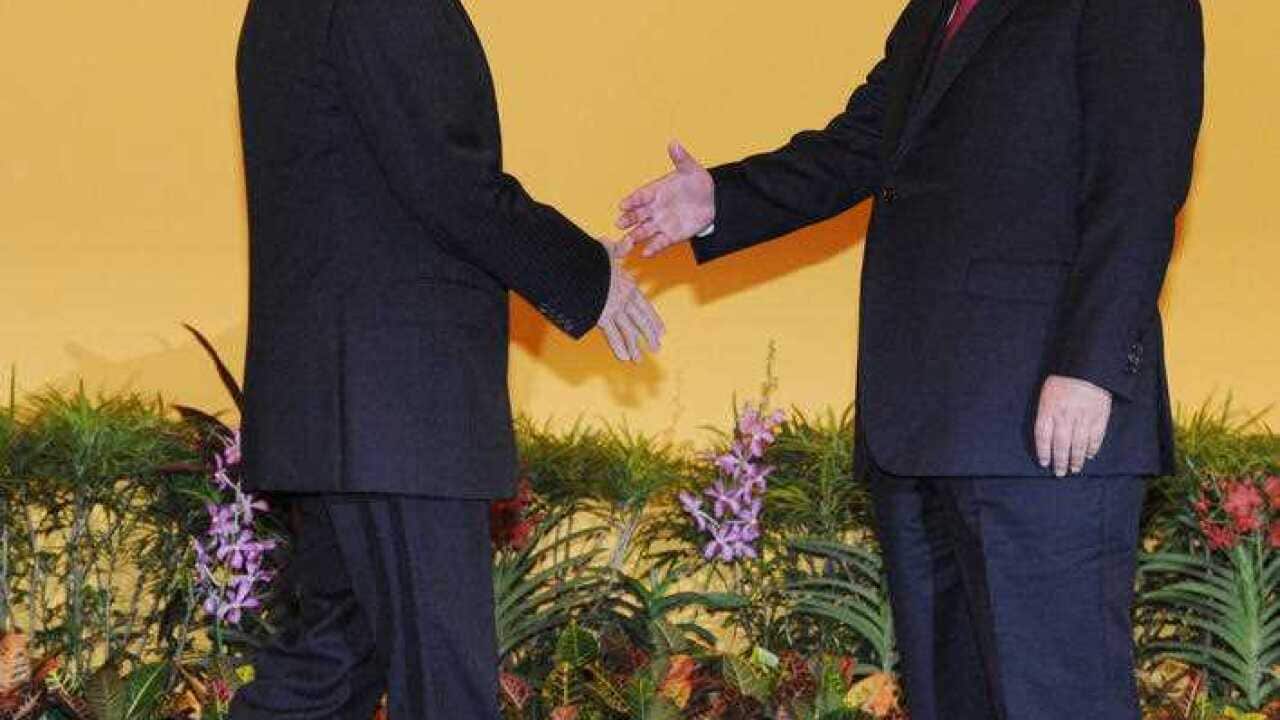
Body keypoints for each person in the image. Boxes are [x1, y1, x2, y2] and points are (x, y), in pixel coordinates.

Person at [616, 0, 1203, 718]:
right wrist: (720, 200)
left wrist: (1090, 366)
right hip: (921, 425)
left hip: (1047, 427)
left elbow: (1139, 187)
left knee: (1056, 700)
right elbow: (864, 143)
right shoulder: (936, 8)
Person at [230, 0, 664, 716]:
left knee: (323, 675)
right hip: (395, 411)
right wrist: (587, 277)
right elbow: (450, 178)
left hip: (348, 412)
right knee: (444, 693)